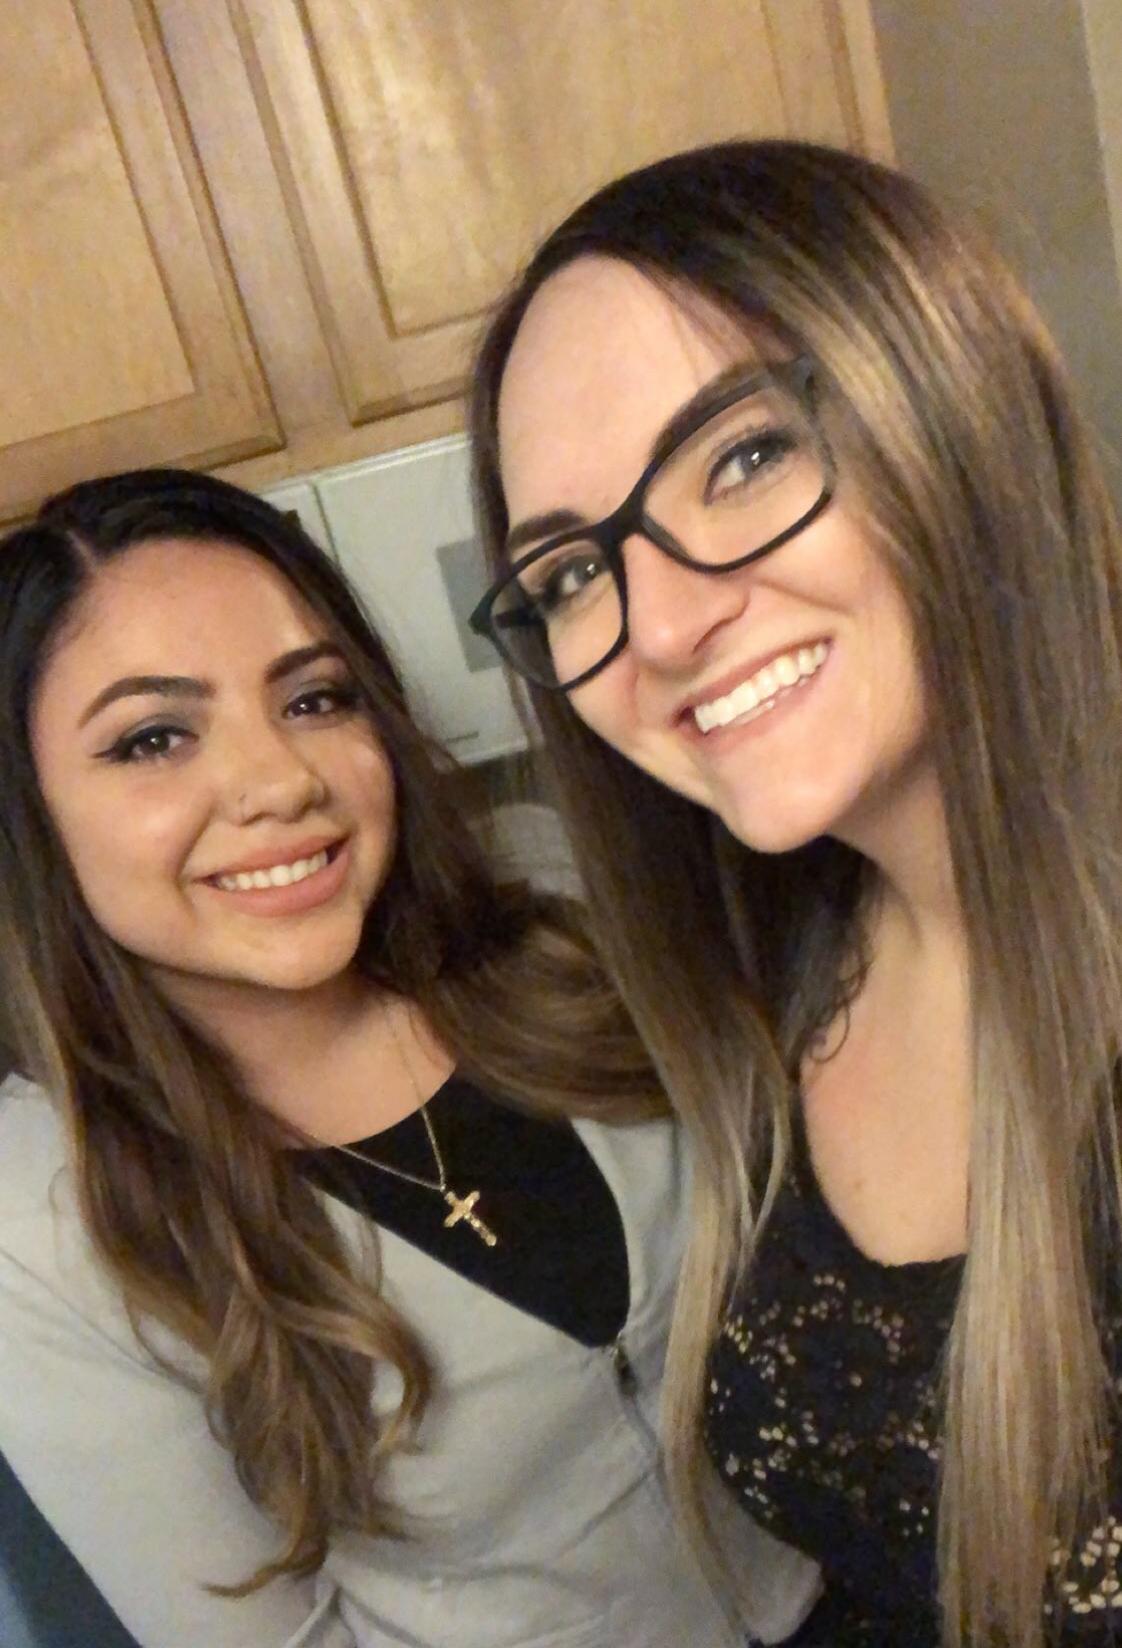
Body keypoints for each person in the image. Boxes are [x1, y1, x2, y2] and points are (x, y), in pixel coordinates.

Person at [466, 138, 1122, 1646]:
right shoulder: (795, 954)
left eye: (744, 457)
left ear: (947, 395)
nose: (659, 626)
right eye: (569, 574)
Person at [0, 468, 817, 1648]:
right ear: (29, 818)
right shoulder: (40, 1229)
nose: (282, 781)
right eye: (154, 738)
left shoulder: (555, 907)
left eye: (315, 698)